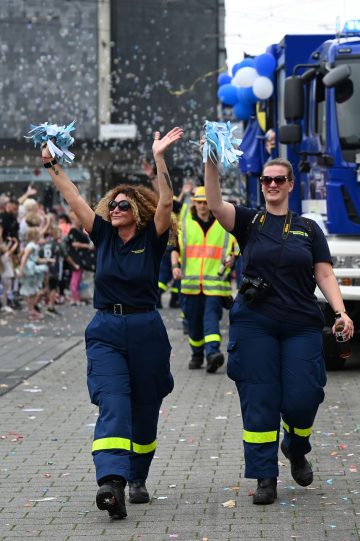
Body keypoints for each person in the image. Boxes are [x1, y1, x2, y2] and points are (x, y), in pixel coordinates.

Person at [42, 127, 182, 519]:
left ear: (137, 209)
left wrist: (158, 158)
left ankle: (137, 477)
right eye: (113, 204)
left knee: (145, 409)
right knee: (114, 402)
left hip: (146, 331)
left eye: (123, 205)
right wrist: (53, 164)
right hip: (105, 330)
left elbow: (167, 203)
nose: (115, 208)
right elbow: (73, 198)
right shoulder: (101, 234)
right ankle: (112, 483)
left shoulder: (151, 238)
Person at [204, 154, 353, 505]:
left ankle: (295, 447)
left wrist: (341, 312)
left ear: (290, 184)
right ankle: (264, 476)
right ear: (262, 185)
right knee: (260, 400)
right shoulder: (247, 221)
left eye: (278, 180)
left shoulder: (308, 228)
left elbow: (324, 274)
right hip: (255, 324)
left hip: (301, 323)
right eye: (266, 180)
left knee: (304, 396)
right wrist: (211, 160)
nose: (271, 184)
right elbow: (213, 202)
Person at [173, 186, 236, 373]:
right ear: (194, 203)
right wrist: (175, 267)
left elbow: (237, 246)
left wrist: (233, 257)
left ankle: (212, 354)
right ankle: (197, 354)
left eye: (205, 202)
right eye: (199, 202)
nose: (202, 206)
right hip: (190, 285)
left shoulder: (224, 225)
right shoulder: (185, 224)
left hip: (215, 285)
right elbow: (175, 249)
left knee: (210, 318)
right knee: (193, 323)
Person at [66, 211, 94, 305]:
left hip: (80, 257)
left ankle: (76, 297)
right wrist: (87, 246)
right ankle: (74, 298)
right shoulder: (73, 230)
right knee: (75, 278)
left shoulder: (78, 229)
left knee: (78, 278)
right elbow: (74, 244)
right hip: (76, 257)